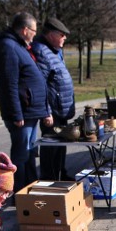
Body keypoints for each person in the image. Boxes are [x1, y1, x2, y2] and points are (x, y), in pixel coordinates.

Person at [0, 13, 53, 191]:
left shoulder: (19, 46)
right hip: (22, 114)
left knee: (30, 152)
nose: (35, 34)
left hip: (30, 112)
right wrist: (16, 113)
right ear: (25, 30)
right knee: (21, 154)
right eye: (33, 30)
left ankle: (31, 186)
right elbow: (8, 83)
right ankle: (19, 191)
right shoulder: (7, 47)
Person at [32, 17, 76, 181]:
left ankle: (60, 173)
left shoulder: (55, 51)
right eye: (62, 34)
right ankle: (49, 178)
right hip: (52, 110)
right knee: (50, 146)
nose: (65, 38)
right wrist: (46, 112)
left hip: (61, 109)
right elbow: (40, 84)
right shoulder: (41, 51)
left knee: (61, 144)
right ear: (51, 34)